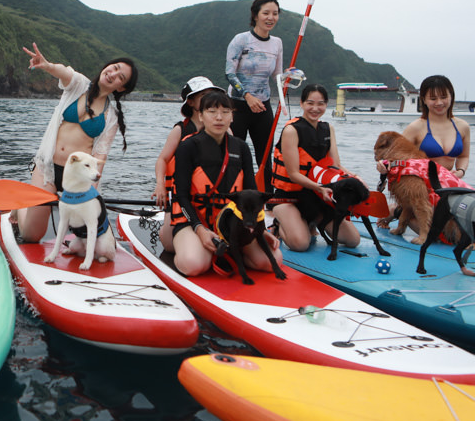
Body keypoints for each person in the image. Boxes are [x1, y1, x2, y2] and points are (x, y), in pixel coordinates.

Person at [16, 42, 138, 242]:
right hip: (47, 167)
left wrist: (92, 190)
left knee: (84, 230)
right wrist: (47, 65)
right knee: (31, 236)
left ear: (121, 87)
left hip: (77, 176)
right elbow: (63, 72)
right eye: (114, 68)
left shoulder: (112, 117)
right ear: (108, 66)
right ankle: (19, 209)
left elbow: (100, 156)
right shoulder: (79, 84)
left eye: (120, 77)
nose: (113, 74)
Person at [168, 89, 283, 276]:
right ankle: (187, 248)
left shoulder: (241, 147)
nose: (219, 118)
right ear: (202, 116)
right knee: (194, 264)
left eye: (225, 112)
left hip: (231, 223)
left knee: (272, 261)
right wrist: (199, 229)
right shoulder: (188, 147)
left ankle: (231, 251)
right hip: (194, 221)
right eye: (212, 112)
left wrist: (259, 229)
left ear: (232, 117)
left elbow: (252, 193)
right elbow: (180, 195)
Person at [269, 84, 362, 252]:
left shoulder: (328, 129)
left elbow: (336, 165)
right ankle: (279, 225)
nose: (315, 108)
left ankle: (311, 222)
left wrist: (354, 178)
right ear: (302, 103)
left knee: (353, 240)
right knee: (301, 244)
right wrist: (320, 188)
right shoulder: (291, 130)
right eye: (310, 103)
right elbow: (293, 174)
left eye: (321, 104)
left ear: (327, 105)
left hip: (317, 197)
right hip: (289, 197)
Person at [153, 76, 222, 251]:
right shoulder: (180, 130)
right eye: (204, 95)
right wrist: (160, 185)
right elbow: (162, 159)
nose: (210, 99)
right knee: (168, 245)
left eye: (212, 94)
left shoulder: (222, 129)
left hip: (211, 196)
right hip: (181, 195)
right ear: (190, 102)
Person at [225, 0, 284, 182]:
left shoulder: (277, 43)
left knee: (265, 157)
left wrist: (287, 78)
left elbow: (277, 75)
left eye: (275, 14)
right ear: (256, 15)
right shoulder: (241, 40)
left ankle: (267, 199)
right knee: (235, 154)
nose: (270, 17)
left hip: (263, 106)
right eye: (266, 13)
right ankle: (232, 197)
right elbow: (229, 74)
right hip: (238, 105)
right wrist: (247, 96)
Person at [402, 75, 470, 178]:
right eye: (433, 99)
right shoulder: (415, 127)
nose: (439, 103)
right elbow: (396, 155)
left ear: (451, 96)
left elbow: (464, 156)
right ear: (424, 100)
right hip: (421, 183)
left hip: (449, 182)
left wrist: (460, 171)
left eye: (443, 97)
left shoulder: (463, 127)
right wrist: (383, 164)